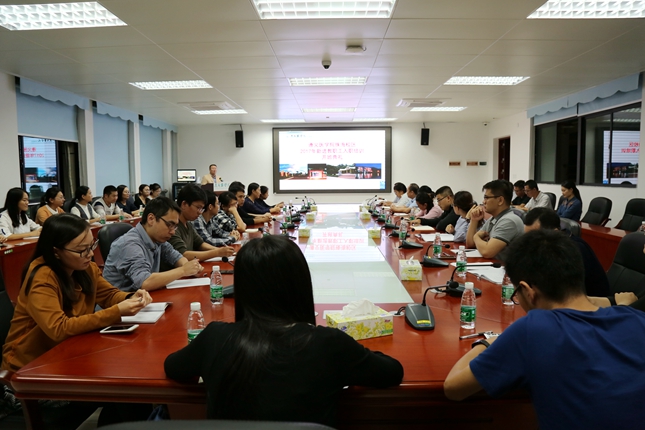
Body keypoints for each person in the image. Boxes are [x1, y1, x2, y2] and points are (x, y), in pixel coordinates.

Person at [164, 235, 403, 426]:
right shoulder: (328, 343)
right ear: (300, 284)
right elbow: (392, 371)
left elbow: (173, 367)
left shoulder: (215, 337)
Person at [443, 229, 645, 430]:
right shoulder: (637, 318)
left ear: (528, 291)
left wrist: (490, 342)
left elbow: (453, 388)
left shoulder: (533, 330)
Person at [1, 213, 153, 426]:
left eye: (92, 246)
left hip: (67, 356)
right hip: (31, 370)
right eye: (82, 250)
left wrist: (131, 298)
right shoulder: (43, 276)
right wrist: (117, 311)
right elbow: (58, 328)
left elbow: (109, 295)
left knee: (130, 388)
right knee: (125, 391)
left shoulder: (85, 267)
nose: (90, 254)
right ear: (56, 251)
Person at [103, 197, 203, 292]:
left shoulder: (157, 239)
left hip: (143, 298)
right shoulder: (130, 244)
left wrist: (189, 266)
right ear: (151, 219)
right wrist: (183, 270)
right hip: (121, 302)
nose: (173, 232)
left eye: (175, 226)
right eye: (170, 225)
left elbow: (176, 257)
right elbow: (145, 282)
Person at [524, 207, 610, 297]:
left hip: (592, 302)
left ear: (554, 231)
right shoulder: (548, 245)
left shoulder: (574, 249)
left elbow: (568, 292)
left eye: (534, 236)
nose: (530, 242)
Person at [166, 185, 235, 267]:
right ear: (184, 204)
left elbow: (200, 244)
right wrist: (216, 252)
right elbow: (183, 255)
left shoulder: (188, 224)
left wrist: (221, 250)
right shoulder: (173, 227)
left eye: (202, 209)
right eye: (198, 208)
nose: (200, 212)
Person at [466, 180, 523, 261]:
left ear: (500, 200)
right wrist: (474, 220)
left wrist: (476, 237)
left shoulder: (509, 221)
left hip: (504, 267)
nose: (483, 202)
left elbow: (487, 252)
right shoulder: (494, 218)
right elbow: (470, 244)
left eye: (486, 197)